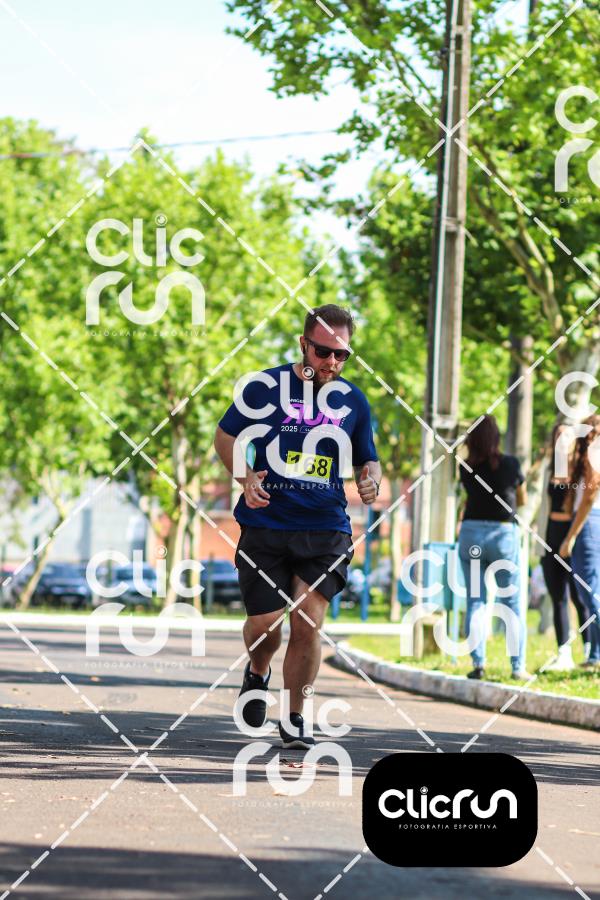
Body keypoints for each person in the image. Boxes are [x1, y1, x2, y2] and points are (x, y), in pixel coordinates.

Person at [214, 304, 381, 748]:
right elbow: (225, 436)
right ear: (304, 344)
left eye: (342, 355)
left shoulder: (353, 401)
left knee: (308, 620)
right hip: (266, 522)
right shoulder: (264, 387)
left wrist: (370, 480)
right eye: (323, 352)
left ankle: (294, 718)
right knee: (266, 624)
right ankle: (257, 671)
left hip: (325, 526)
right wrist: (244, 478)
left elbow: (368, 458)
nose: (332, 362)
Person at [457, 415, 529, 681]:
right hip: (503, 535)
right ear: (496, 437)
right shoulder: (511, 464)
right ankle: (517, 667)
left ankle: (478, 664)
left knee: (476, 600)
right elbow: (521, 498)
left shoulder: (465, 466)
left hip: (471, 533)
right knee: (511, 602)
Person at [541, 424, 591, 669]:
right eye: (558, 434)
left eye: (567, 435)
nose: (562, 439)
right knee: (557, 596)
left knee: (579, 595)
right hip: (550, 534)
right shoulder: (550, 469)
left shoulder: (581, 470)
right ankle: (564, 652)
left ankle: (591, 649)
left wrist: (571, 538)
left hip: (571, 535)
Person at [559, 414, 600, 669]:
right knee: (592, 591)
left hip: (589, 524)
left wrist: (571, 536)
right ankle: (595, 655)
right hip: (592, 522)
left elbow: (588, 499)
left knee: (589, 592)